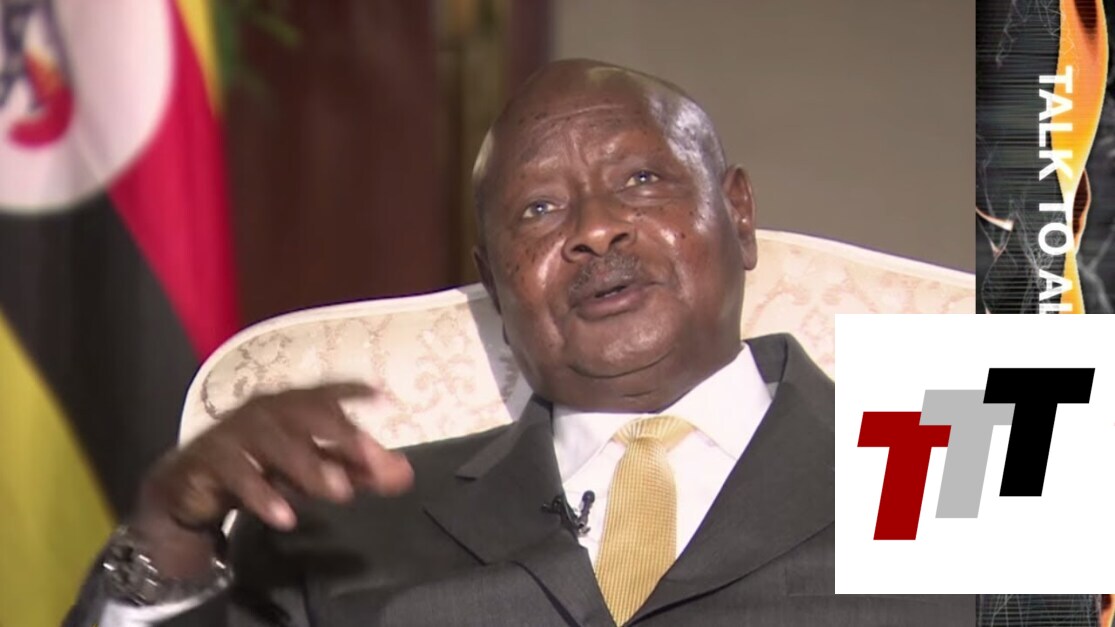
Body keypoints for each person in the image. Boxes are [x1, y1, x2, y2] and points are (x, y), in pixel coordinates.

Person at [68, 59, 975, 626]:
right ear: (494, 279)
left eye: (641, 180)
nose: (595, 229)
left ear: (736, 214)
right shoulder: (351, 523)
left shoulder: (968, 438)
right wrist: (170, 531)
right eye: (538, 209)